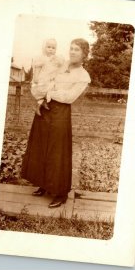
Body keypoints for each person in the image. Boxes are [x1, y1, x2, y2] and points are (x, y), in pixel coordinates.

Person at [21, 38, 91, 208]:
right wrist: (41, 96)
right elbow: (43, 76)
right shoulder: (60, 64)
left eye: (77, 50)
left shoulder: (83, 76)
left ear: (84, 55)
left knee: (57, 151)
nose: (72, 51)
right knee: (40, 147)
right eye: (71, 48)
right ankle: (43, 184)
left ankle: (61, 193)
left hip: (60, 112)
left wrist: (50, 92)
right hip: (44, 107)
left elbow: (69, 97)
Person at [31, 38, 65, 116]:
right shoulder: (41, 58)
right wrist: (35, 77)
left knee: (50, 90)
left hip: (50, 79)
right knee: (41, 91)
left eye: (53, 48)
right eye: (48, 47)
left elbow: (60, 66)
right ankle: (38, 106)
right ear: (44, 48)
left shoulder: (55, 59)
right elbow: (37, 68)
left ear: (56, 49)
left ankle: (44, 102)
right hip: (42, 78)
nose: (51, 49)